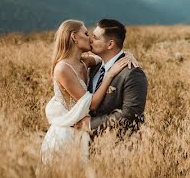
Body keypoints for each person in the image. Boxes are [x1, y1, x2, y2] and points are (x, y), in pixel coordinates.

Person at [40, 20, 135, 163]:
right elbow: (92, 105)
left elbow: (106, 56)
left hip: (81, 133)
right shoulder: (62, 69)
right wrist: (109, 76)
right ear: (74, 37)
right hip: (66, 133)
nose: (90, 38)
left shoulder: (85, 62)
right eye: (86, 33)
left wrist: (127, 55)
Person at [87, 18, 148, 138]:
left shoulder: (132, 73)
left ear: (110, 44)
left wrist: (89, 124)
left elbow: (130, 114)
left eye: (95, 37)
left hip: (116, 144)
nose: (90, 40)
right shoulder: (95, 67)